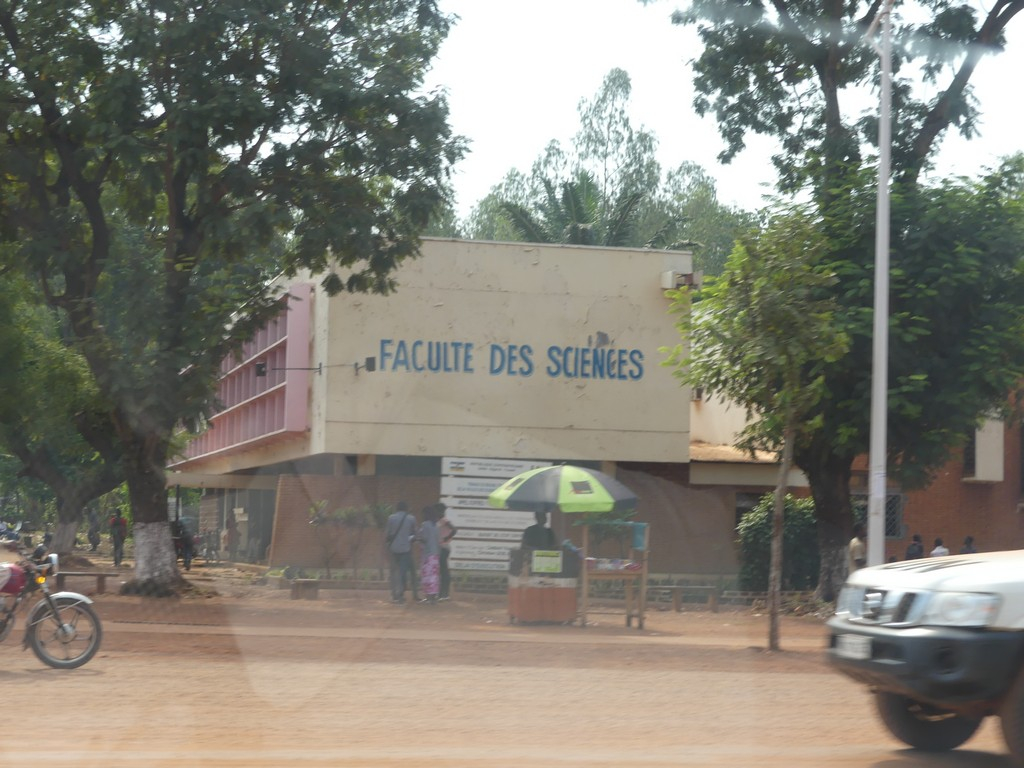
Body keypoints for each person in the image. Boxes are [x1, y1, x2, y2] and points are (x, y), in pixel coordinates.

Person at [384, 501, 419, 604]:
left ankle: (394, 594)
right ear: (406, 508)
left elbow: (387, 534)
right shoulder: (411, 518)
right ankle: (400, 594)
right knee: (402, 572)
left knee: (394, 572)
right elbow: (415, 534)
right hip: (405, 549)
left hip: (393, 549)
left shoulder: (391, 518)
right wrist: (409, 539)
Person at [417, 506, 441, 604]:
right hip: (435, 554)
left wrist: (417, 538)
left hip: (428, 554)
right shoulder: (436, 525)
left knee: (427, 576)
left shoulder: (425, 524)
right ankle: (433, 598)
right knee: (434, 577)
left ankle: (428, 597)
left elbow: (424, 538)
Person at [436, 503, 457, 601]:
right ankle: (443, 593)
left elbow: (454, 529)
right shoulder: (440, 520)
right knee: (443, 571)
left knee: (443, 571)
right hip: (442, 547)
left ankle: (444, 594)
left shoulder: (444, 520)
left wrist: (447, 538)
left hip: (443, 548)